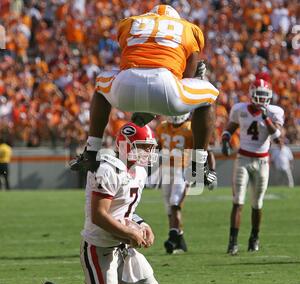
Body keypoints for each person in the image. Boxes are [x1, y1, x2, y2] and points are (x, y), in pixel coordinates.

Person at [70, 4, 219, 188]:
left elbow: (128, 54)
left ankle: (91, 152)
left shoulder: (130, 22)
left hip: (127, 85)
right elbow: (186, 78)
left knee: (101, 84)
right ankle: (199, 164)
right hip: (165, 86)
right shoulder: (189, 29)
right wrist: (197, 75)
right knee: (209, 95)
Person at [28, 123, 161, 284]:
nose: (148, 152)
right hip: (99, 247)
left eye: (150, 147)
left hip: (122, 246)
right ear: (126, 145)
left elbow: (125, 209)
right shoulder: (108, 169)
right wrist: (130, 233)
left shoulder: (139, 172)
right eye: (143, 146)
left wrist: (142, 224)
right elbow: (99, 215)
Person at [222, 76, 284, 255]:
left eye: (264, 95)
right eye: (258, 94)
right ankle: (233, 242)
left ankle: (254, 238)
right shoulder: (239, 109)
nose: (261, 98)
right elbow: (230, 127)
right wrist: (225, 138)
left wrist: (266, 118)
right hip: (243, 158)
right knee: (237, 201)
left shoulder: (274, 112)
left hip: (262, 161)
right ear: (251, 94)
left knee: (257, 203)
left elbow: (277, 137)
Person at [156, 112, 216, 254]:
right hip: (165, 170)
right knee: (169, 208)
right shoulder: (162, 127)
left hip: (183, 170)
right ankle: (179, 239)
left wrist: (212, 171)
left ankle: (172, 237)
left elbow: (207, 150)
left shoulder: (190, 128)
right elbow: (159, 146)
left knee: (175, 203)